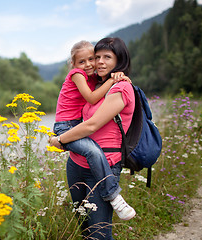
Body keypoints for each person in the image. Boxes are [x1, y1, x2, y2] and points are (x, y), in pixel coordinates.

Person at [50, 37, 136, 240]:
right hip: (77, 164)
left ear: (119, 60)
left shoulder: (121, 87)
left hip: (103, 164)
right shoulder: (94, 82)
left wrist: (60, 140)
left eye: (107, 57)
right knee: (85, 228)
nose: (99, 62)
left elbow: (91, 125)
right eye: (98, 57)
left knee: (99, 234)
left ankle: (114, 195)